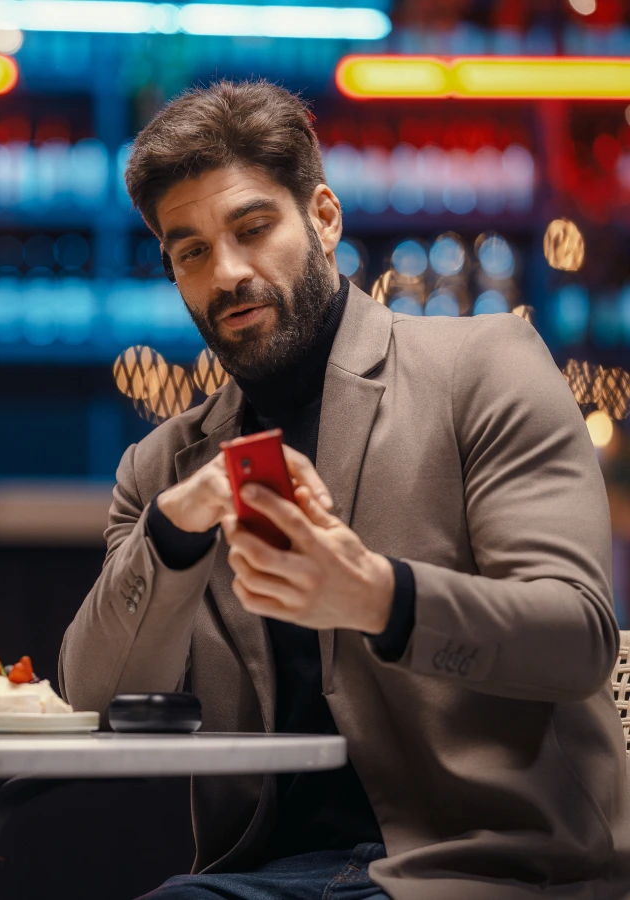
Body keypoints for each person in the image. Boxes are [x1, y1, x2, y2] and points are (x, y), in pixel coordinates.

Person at [59, 80, 630, 900]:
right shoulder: (163, 470)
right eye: (191, 252)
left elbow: (577, 640)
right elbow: (94, 703)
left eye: (254, 229)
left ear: (323, 218)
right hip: (267, 872)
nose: (228, 273)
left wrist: (380, 597)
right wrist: (174, 534)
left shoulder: (484, 366)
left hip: (491, 864)